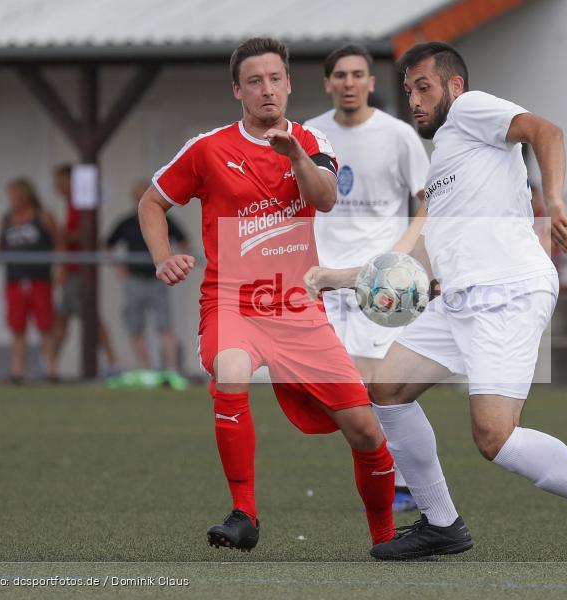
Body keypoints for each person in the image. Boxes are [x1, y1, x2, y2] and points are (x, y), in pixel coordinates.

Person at [305, 42, 567, 565]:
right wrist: (340, 278)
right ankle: (442, 524)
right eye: (407, 90)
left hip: (507, 291)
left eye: (423, 87)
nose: (413, 99)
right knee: (385, 390)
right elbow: (421, 255)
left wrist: (557, 201)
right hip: (459, 300)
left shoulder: (472, 111)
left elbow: (547, 131)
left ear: (455, 87)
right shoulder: (443, 159)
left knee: (494, 437)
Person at [137, 37, 396, 554]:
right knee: (231, 371)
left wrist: (297, 155)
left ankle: (387, 538)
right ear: (238, 90)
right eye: (254, 81)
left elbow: (323, 199)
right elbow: (152, 201)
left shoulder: (312, 140)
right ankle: (244, 515)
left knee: (366, 431)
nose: (266, 89)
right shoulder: (208, 148)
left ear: (289, 83)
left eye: (275, 79)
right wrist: (164, 257)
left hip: (298, 308)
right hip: (232, 304)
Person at [305, 44, 430, 512]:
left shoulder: (398, 135)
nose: (350, 82)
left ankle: (402, 482)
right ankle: (394, 477)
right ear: (328, 82)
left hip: (380, 283)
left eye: (358, 74)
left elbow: (428, 200)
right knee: (345, 391)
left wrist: (402, 255)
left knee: (379, 386)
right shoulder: (311, 134)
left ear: (371, 83)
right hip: (324, 281)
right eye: (340, 75)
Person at [106, 181, 190, 389]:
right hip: (135, 279)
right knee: (135, 325)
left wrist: (172, 260)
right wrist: (120, 269)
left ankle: (170, 369)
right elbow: (107, 244)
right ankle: (146, 368)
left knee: (165, 324)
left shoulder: (166, 219)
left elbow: (184, 240)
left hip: (157, 279)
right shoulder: (126, 223)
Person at [0, 179, 62, 382]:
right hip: (15, 279)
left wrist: (61, 268)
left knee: (45, 325)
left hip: (40, 279)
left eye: (15, 195)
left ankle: (51, 370)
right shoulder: (7, 219)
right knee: (17, 326)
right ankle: (17, 371)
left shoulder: (42, 216)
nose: (12, 200)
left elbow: (58, 240)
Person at [51, 164, 121, 375]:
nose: (57, 186)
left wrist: (58, 234)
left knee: (90, 318)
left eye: (61, 181)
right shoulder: (70, 205)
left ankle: (112, 362)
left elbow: (86, 234)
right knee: (62, 318)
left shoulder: (81, 204)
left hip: (79, 271)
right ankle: (50, 364)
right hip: (71, 269)